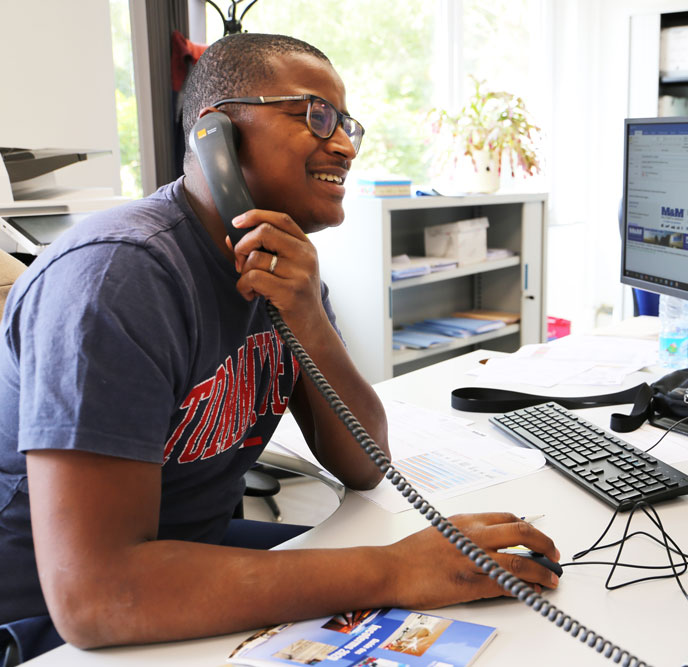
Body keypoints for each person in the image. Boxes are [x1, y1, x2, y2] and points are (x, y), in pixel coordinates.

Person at [0, 32, 559, 661]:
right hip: (42, 619)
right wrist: (395, 569)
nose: (345, 145)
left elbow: (365, 464)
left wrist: (308, 316)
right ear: (216, 133)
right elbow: (96, 597)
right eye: (316, 115)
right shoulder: (118, 278)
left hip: (189, 557)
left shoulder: (282, 268)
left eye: (347, 124)